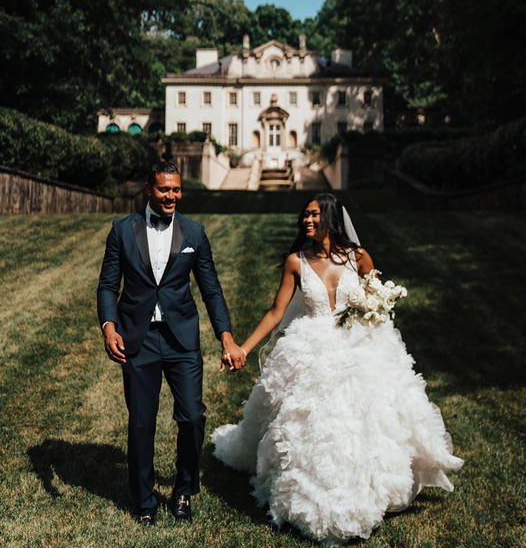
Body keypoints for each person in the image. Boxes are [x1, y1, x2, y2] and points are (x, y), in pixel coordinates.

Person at [212, 193, 463, 545]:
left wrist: (375, 307)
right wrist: (242, 348)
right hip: (310, 344)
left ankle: (371, 484)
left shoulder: (358, 257)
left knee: (369, 416)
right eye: (305, 216)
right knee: (312, 423)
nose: (307, 221)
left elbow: (377, 293)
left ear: (331, 217)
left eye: (314, 215)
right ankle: (313, 490)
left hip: (358, 344)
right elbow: (276, 312)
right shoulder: (295, 262)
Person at [97, 161, 245, 527]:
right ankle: (144, 501)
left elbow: (210, 288)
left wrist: (224, 336)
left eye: (177, 190)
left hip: (182, 340)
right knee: (141, 424)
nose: (172, 196)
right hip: (138, 339)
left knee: (193, 417)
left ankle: (183, 490)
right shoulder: (122, 231)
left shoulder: (194, 232)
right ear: (149, 189)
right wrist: (108, 327)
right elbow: (106, 286)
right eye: (165, 190)